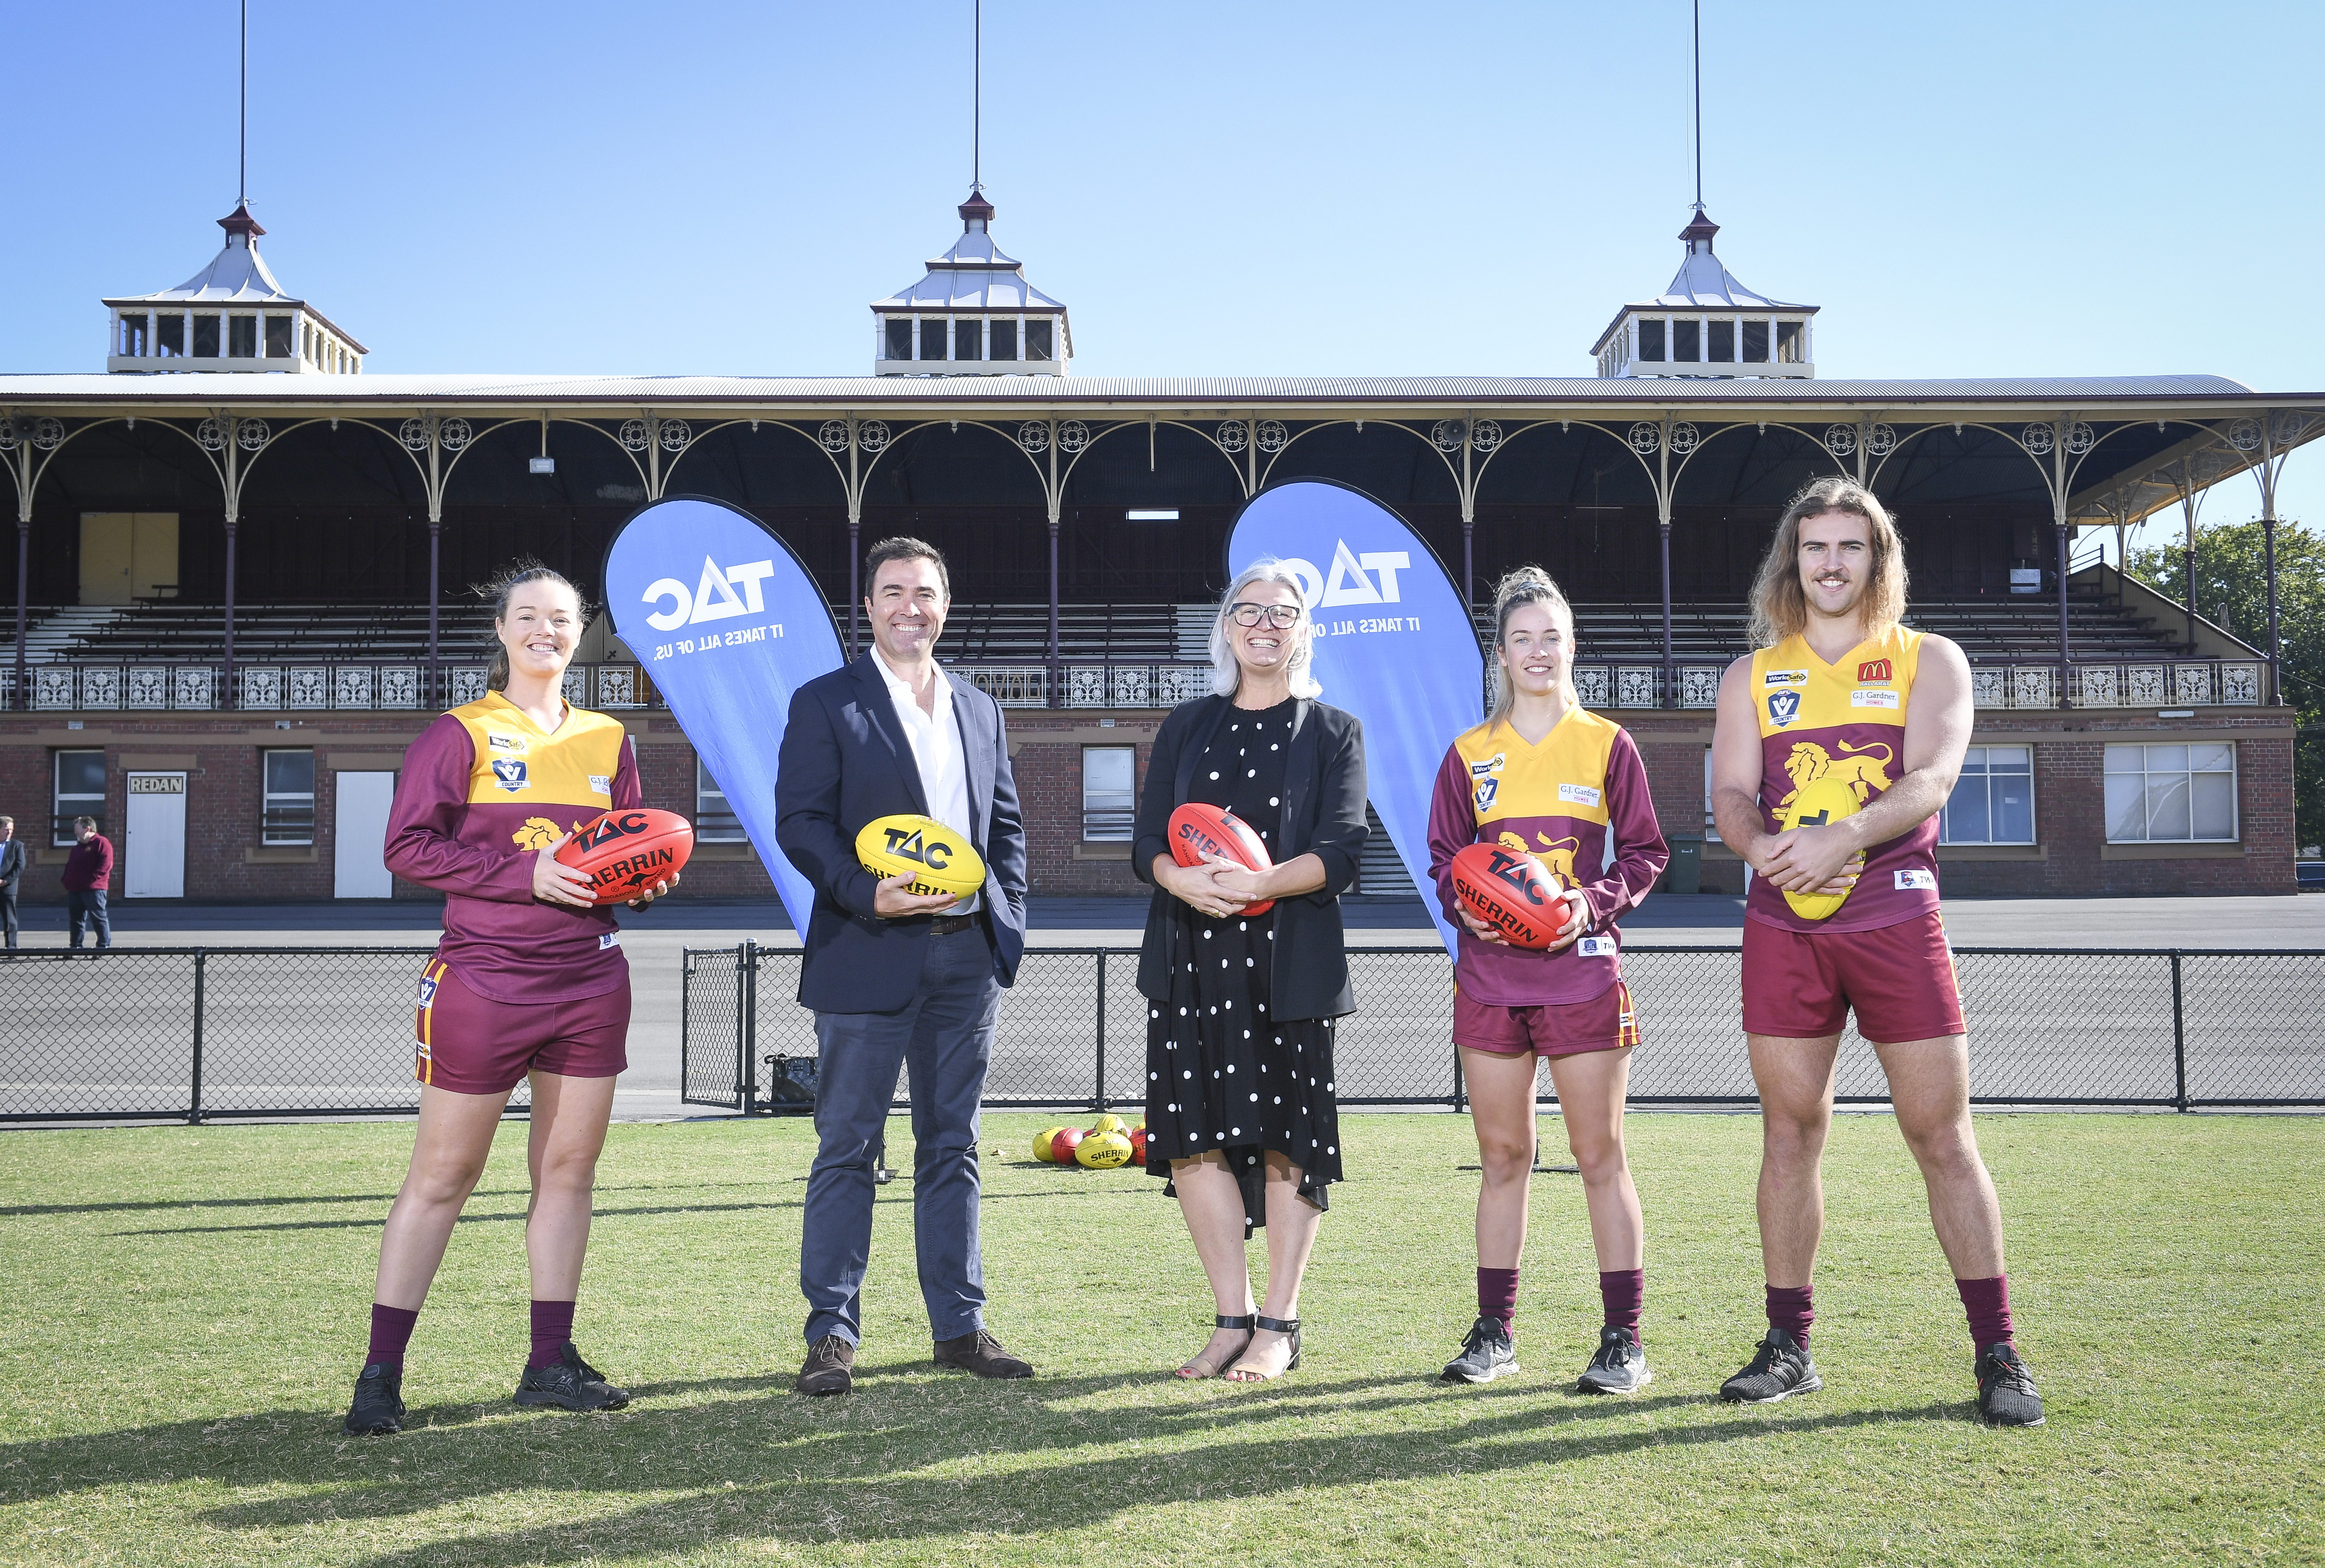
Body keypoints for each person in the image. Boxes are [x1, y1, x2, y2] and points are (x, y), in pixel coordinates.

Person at [1708, 476, 2043, 1427]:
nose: (1830, 562)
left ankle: (1998, 1349)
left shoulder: (1928, 658)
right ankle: (1789, 1344)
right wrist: (1756, 844)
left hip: (1895, 916)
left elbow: (1932, 777)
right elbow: (1733, 793)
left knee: (1940, 1135)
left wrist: (1842, 833)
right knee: (1789, 1132)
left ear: (1877, 559)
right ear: (1792, 560)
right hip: (1783, 923)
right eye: (1814, 546)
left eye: (1849, 547)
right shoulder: (1751, 674)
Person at [342, 562, 676, 1437]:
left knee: (567, 1173)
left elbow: (625, 853)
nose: (545, 631)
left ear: (580, 631)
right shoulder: (459, 733)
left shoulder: (609, 739)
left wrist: (642, 882)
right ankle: (380, 1375)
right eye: (528, 616)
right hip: (483, 979)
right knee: (443, 1175)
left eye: (561, 619)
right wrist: (523, 871)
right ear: (501, 629)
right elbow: (406, 846)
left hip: (591, 979)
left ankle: (549, 1362)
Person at [775, 536, 1031, 1397]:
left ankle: (959, 1328)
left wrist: (1007, 928)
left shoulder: (979, 708)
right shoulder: (825, 702)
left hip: (964, 960)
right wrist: (860, 891)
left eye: (925, 592)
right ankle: (831, 1336)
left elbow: (1007, 833)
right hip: (865, 951)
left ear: (944, 604)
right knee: (847, 1145)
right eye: (893, 592)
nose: (909, 607)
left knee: (951, 1146)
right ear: (870, 604)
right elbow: (802, 822)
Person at [1427, 568, 1669, 1391]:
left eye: (1551, 637)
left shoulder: (1607, 744)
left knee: (1598, 1154)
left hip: (1581, 977)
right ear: (1500, 653)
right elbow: (1442, 862)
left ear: (1571, 647)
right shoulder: (1469, 754)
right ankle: (1493, 1332)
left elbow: (1644, 855)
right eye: (1521, 638)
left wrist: (1586, 906)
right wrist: (1470, 911)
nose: (1537, 652)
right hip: (1490, 979)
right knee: (1501, 1156)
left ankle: (1622, 1340)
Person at [1132, 560, 1367, 1382]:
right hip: (1191, 959)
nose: (1264, 624)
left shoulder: (1332, 731)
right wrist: (1180, 878)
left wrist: (1264, 884)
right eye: (1248, 611)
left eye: (1283, 612)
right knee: (1194, 1143)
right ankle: (1229, 1320)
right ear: (1225, 629)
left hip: (1287, 961)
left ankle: (1279, 1324)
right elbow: (1146, 844)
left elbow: (1343, 850)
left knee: (1285, 1143)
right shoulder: (1185, 726)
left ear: (1304, 632)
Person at [62, 817, 113, 950]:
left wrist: (92, 879)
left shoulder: (102, 843)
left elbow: (106, 865)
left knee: (98, 918)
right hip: (75, 890)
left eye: (77, 827)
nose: (75, 830)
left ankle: (103, 947)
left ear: (87, 828)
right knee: (76, 921)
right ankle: (76, 947)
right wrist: (66, 880)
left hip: (94, 890)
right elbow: (70, 866)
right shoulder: (78, 848)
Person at [0, 815, 23, 948]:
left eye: (11, 830)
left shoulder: (17, 846)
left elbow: (19, 867)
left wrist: (5, 881)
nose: (9, 832)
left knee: (10, 921)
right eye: (6, 829)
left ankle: (11, 948)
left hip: (8, 888)